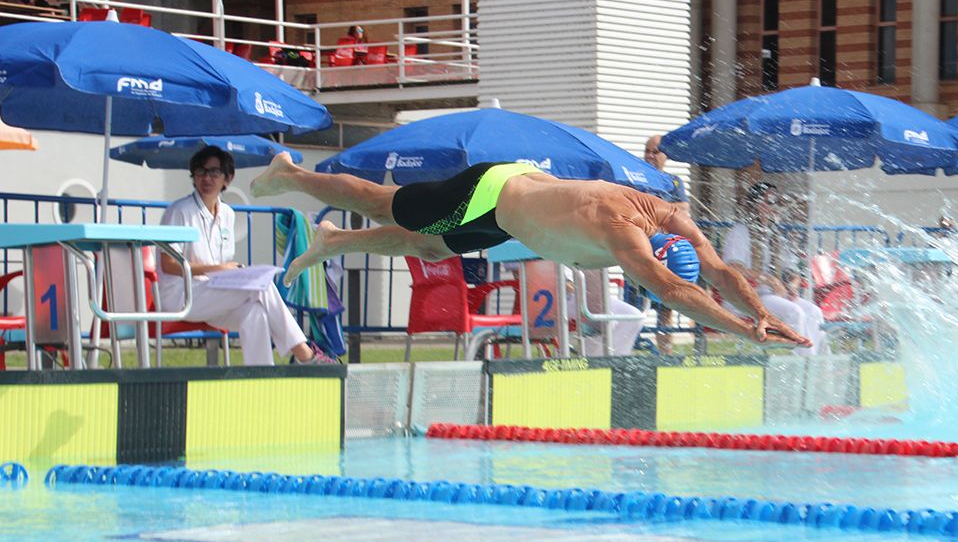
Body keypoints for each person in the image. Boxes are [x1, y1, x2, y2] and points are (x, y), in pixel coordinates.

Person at [249, 154, 811, 349]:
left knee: (422, 244)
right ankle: (294, 173)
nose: (647, 271)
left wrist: (760, 312)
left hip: (510, 207)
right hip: (488, 194)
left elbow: (718, 271)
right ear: (654, 252)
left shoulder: (673, 217)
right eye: (651, 264)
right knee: (382, 204)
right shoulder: (623, 232)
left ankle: (332, 242)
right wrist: (742, 332)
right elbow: (677, 290)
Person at [158, 146, 336, 365]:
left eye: (214, 172)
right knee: (261, 286)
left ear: (227, 178)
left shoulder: (227, 214)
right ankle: (305, 355)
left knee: (255, 313)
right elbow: (168, 264)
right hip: (181, 296)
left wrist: (231, 272)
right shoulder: (180, 211)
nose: (207, 177)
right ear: (193, 176)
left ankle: (261, 379)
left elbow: (221, 264)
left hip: (211, 295)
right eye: (201, 171)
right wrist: (218, 270)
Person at [720, 183, 826, 356]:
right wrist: (771, 280)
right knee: (794, 312)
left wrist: (791, 285)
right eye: (771, 201)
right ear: (756, 204)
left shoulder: (774, 235)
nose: (776, 206)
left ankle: (820, 363)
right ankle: (807, 366)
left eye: (778, 202)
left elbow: (792, 269)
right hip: (744, 296)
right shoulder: (740, 232)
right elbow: (734, 268)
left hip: (770, 296)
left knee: (814, 312)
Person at [642, 134, 689, 354]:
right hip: (642, 247)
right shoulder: (637, 177)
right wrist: (665, 210)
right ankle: (627, 353)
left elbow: (684, 208)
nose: (650, 156)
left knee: (667, 307)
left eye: (655, 151)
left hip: (666, 250)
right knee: (636, 304)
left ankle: (665, 354)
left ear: (665, 156)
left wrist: (657, 209)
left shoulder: (673, 181)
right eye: (647, 151)